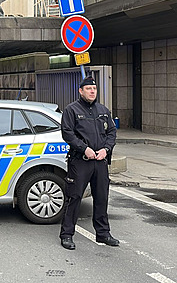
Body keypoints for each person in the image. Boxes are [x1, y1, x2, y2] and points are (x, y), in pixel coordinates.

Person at [59, 76, 118, 250]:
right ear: (80, 91)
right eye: (88, 89)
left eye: (94, 89)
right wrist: (84, 148)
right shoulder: (72, 110)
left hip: (99, 161)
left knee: (101, 197)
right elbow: (67, 133)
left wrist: (105, 150)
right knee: (74, 197)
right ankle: (67, 234)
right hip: (80, 161)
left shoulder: (103, 110)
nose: (92, 91)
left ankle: (103, 233)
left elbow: (112, 132)